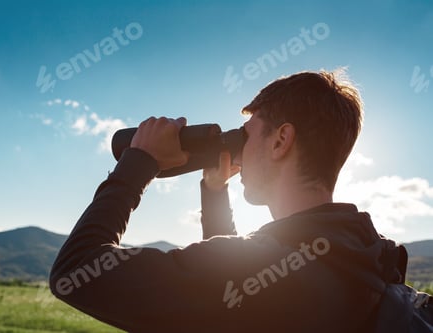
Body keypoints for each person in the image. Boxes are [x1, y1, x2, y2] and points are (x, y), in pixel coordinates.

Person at [50, 69, 399, 332]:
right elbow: (234, 293)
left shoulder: (272, 267)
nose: (238, 149)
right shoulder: (366, 254)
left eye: (245, 136)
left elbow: (75, 270)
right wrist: (215, 192)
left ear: (281, 141)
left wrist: (138, 162)